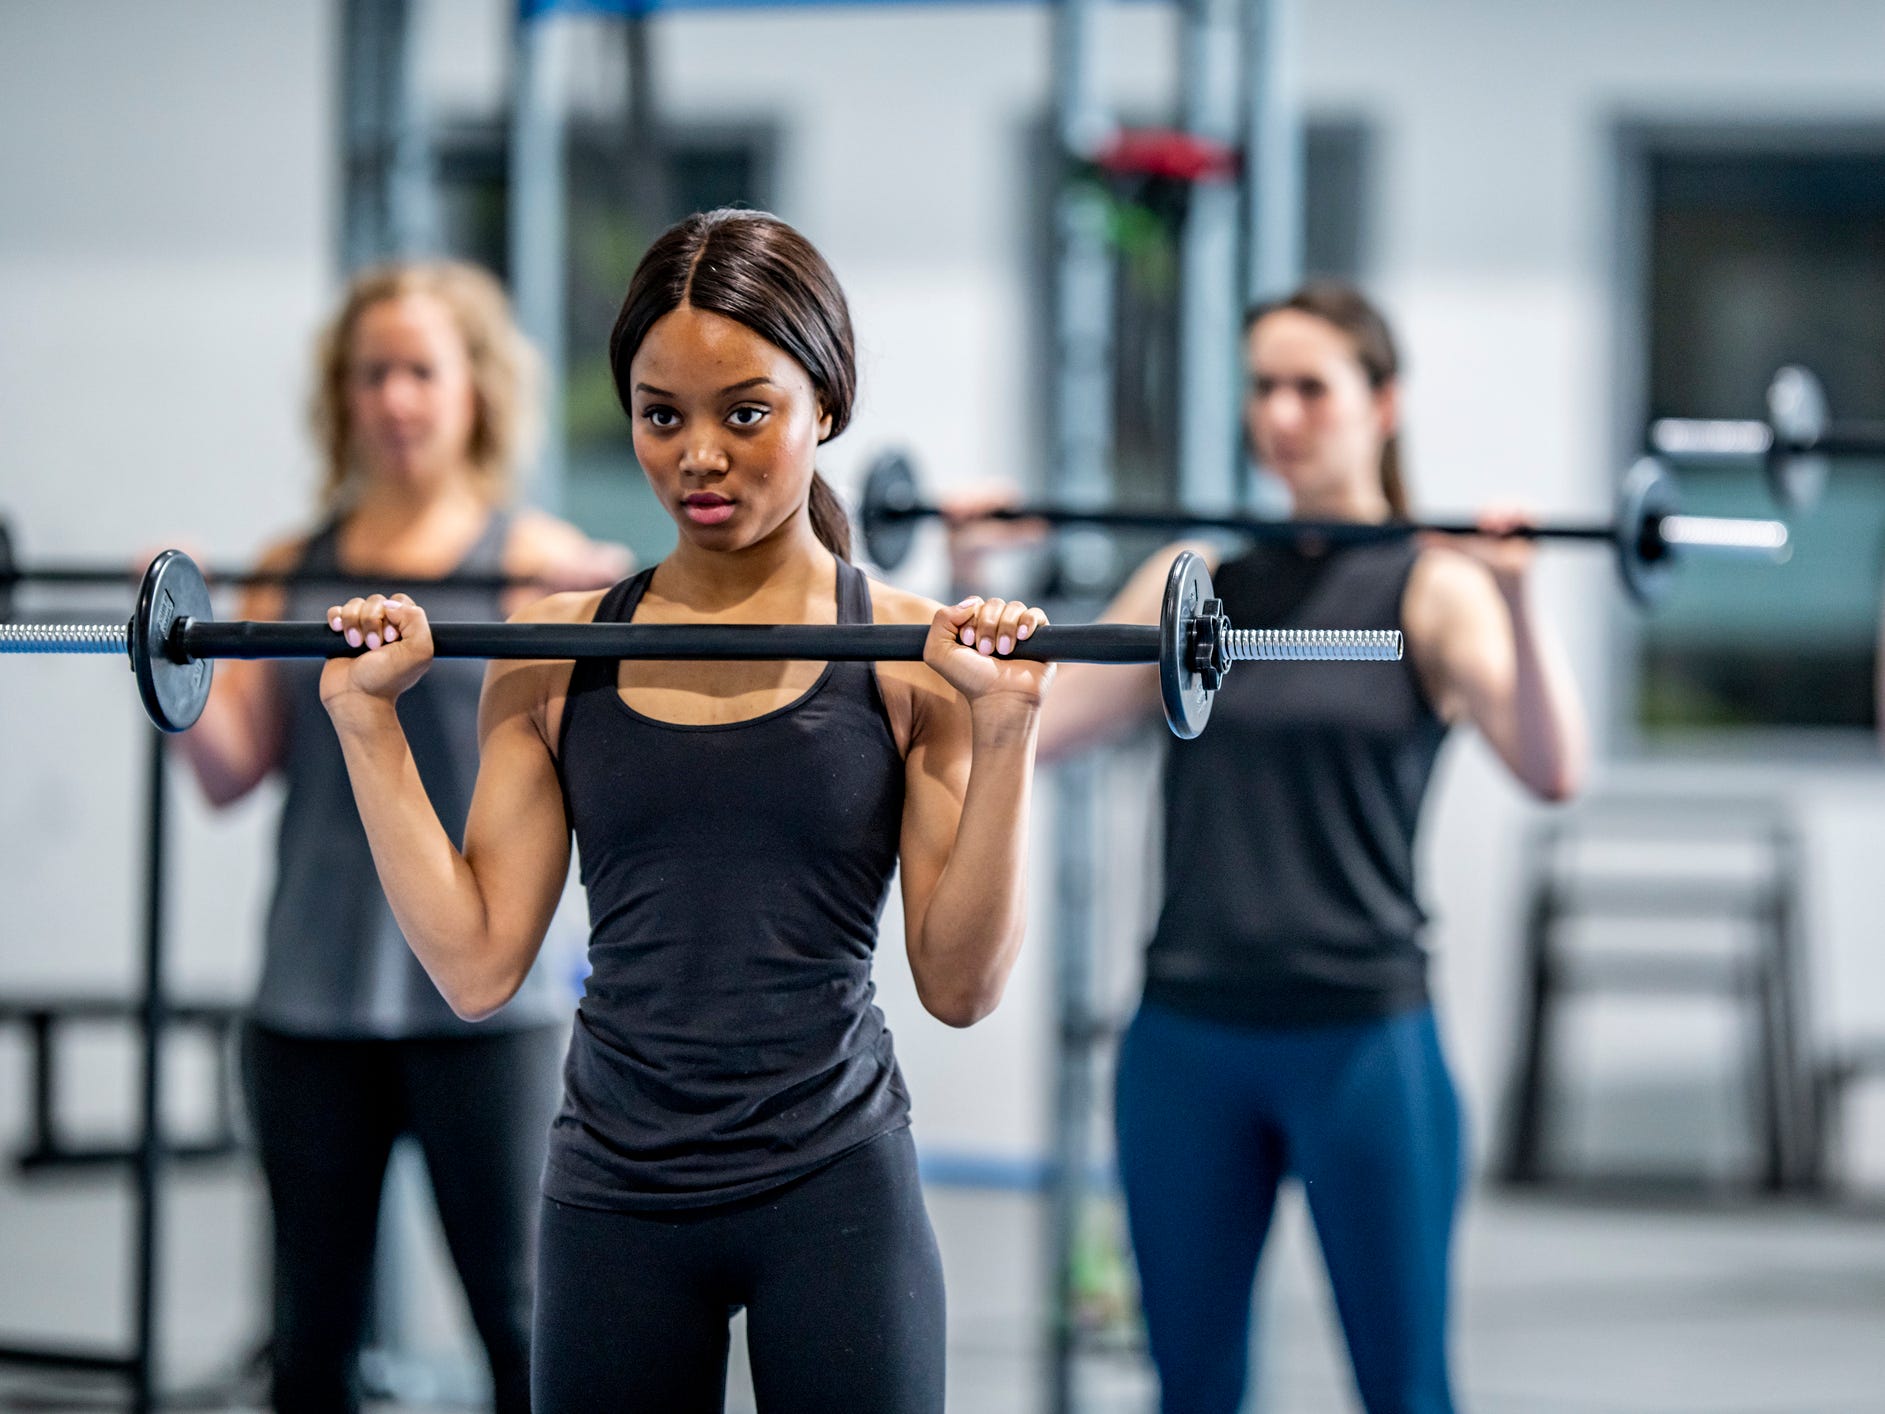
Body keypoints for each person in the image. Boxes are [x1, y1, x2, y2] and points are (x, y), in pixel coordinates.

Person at [315, 208, 1056, 1413]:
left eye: (744, 413)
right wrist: (368, 728)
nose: (698, 455)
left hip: (834, 1186)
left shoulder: (913, 655)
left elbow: (960, 986)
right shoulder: (553, 648)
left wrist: (1009, 729)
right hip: (614, 1192)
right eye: (663, 415)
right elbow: (477, 963)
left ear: (826, 404)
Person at [958, 282, 1587, 1413]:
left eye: (1311, 387)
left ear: (1381, 404)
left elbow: (1551, 767)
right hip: (1188, 1039)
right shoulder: (1200, 584)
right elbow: (1029, 734)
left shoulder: (1434, 589)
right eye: (1261, 389)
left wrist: (1521, 603)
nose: (1280, 415)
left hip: (1362, 1040)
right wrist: (976, 579)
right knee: (1190, 1389)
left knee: (1406, 1389)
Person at [172, 259, 631, 1414]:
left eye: (420, 371)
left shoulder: (541, 567)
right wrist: (165, 661)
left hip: (487, 1007)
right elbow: (230, 772)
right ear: (344, 395)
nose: (396, 399)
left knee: (523, 1322)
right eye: (373, 374)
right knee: (308, 1337)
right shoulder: (291, 566)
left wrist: (614, 626)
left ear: (472, 389)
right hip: (312, 1004)